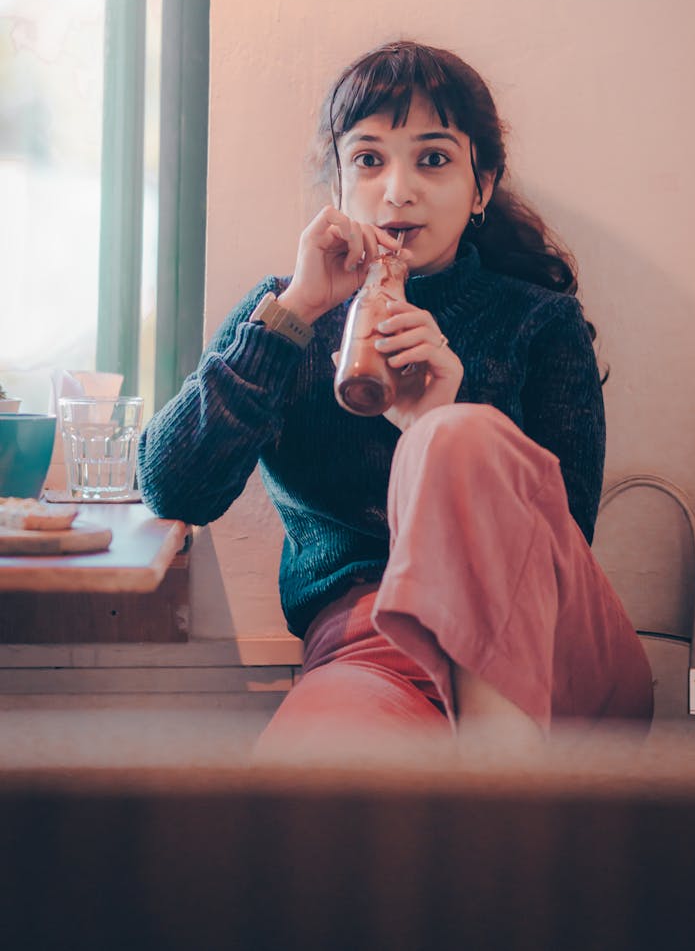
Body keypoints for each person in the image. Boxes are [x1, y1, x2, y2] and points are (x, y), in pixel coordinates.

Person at [138, 40, 653, 759]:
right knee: (296, 796)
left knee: (457, 436)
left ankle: (494, 771)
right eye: (370, 159)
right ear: (339, 189)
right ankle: (498, 792)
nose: (398, 189)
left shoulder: (536, 321)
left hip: (552, 653)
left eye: (433, 159)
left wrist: (438, 424)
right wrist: (296, 312)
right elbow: (172, 487)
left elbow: (566, 538)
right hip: (373, 653)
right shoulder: (288, 317)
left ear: (481, 187)